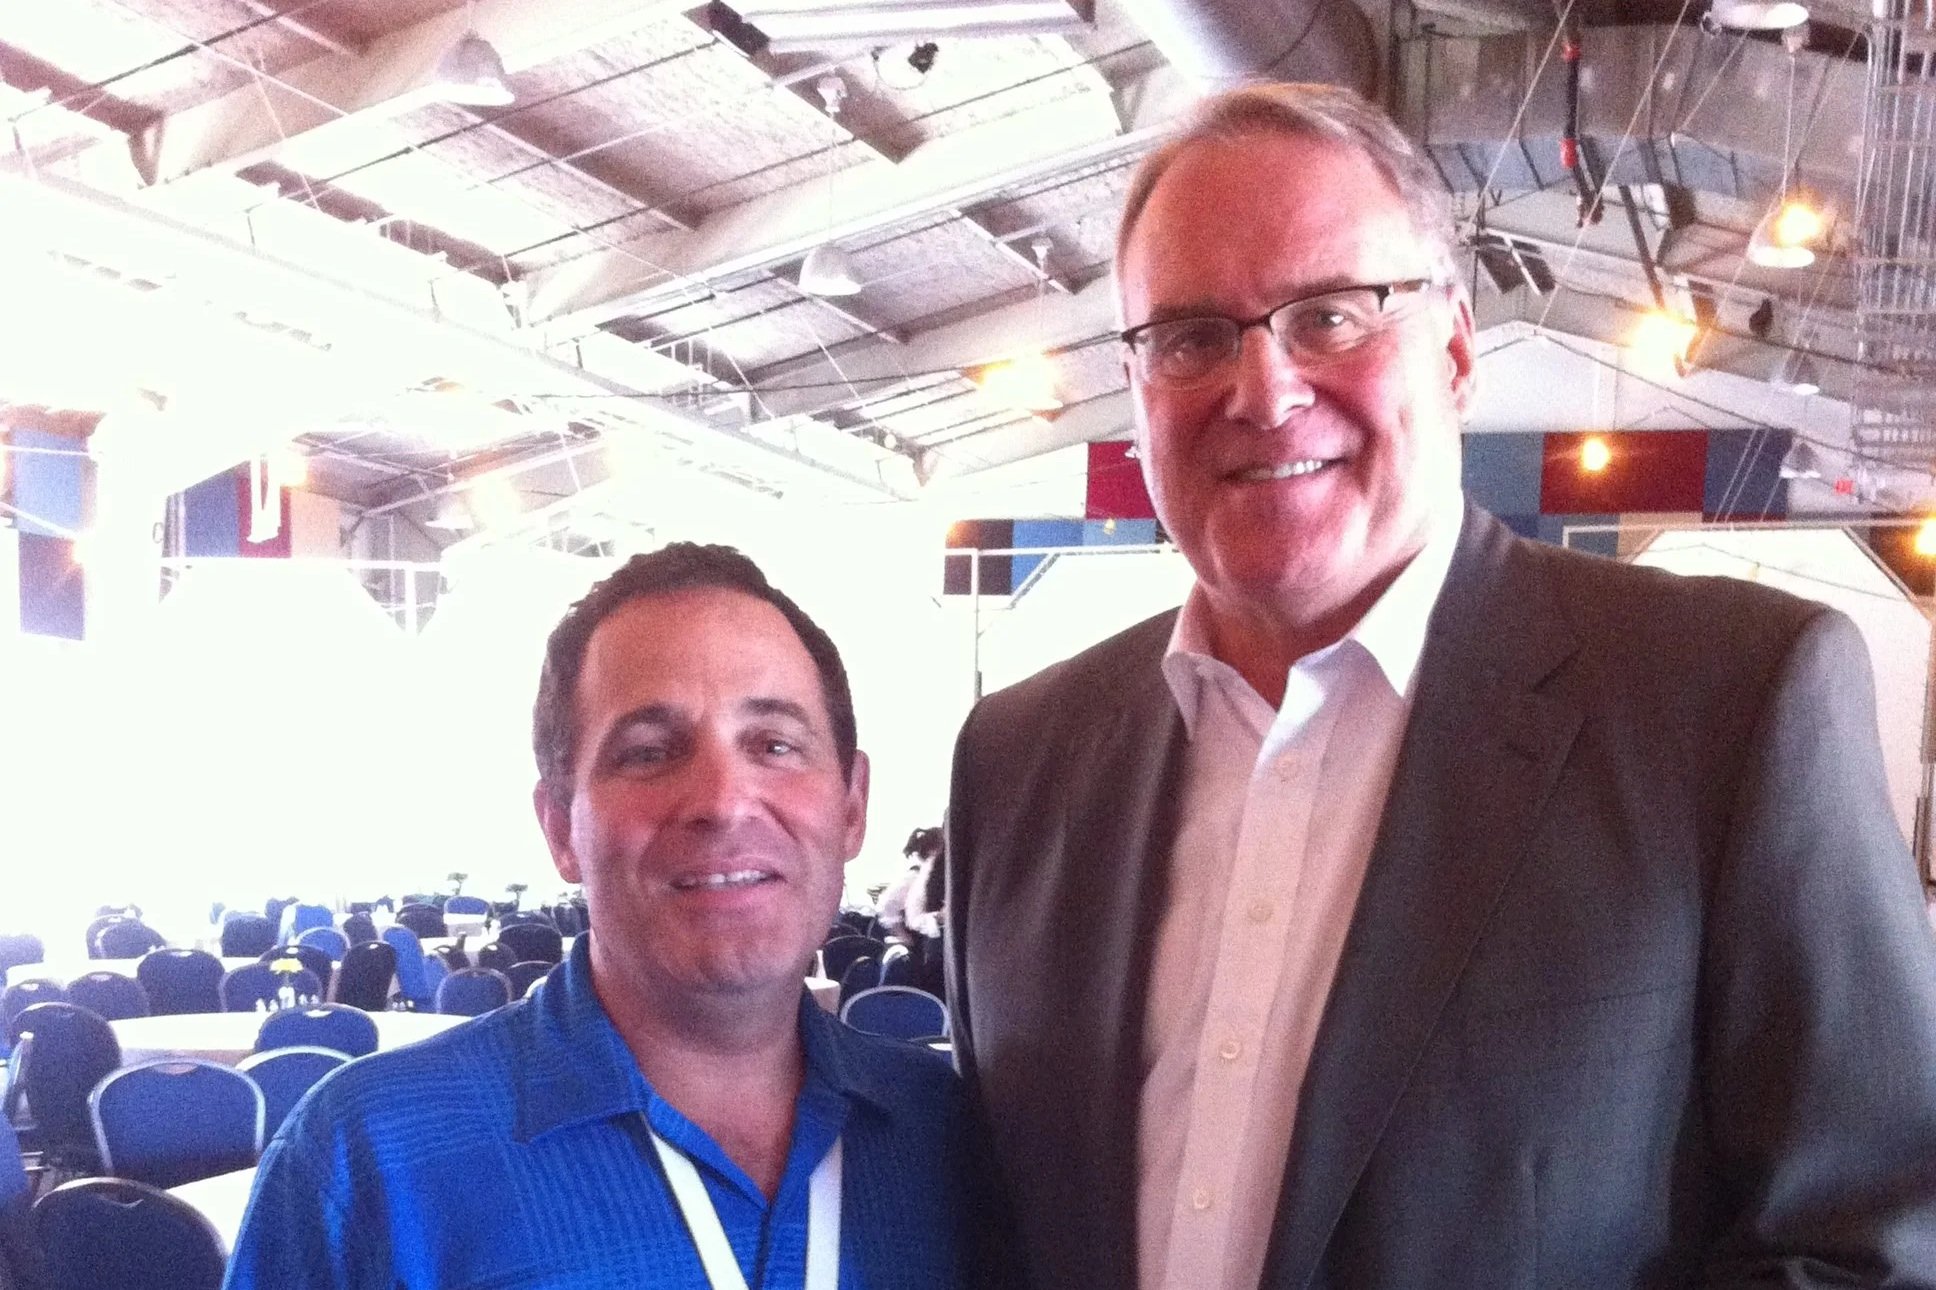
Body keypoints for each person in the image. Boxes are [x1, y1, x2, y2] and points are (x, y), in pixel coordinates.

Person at [943, 82, 1936, 1290]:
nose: (1262, 391)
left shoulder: (1725, 705)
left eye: (1330, 316)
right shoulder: (1018, 757)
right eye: (1192, 336)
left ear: (1456, 349)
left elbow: (1870, 1250)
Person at [227, 543, 976, 1289]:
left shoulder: (959, 1139)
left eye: (775, 744)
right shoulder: (369, 1159)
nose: (722, 800)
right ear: (561, 828)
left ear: (851, 806)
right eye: (649, 753)